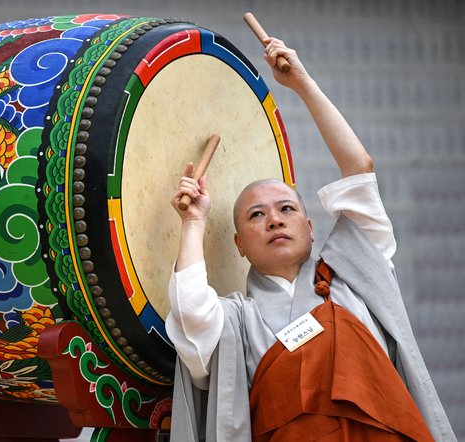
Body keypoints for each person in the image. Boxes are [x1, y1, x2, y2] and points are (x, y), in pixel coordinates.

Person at [167, 36, 455, 441]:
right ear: (238, 245)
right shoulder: (236, 322)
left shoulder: (355, 280)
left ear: (310, 226)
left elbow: (359, 169)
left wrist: (302, 83)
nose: (274, 220)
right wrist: (193, 222)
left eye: (287, 209)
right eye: (256, 215)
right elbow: (190, 316)